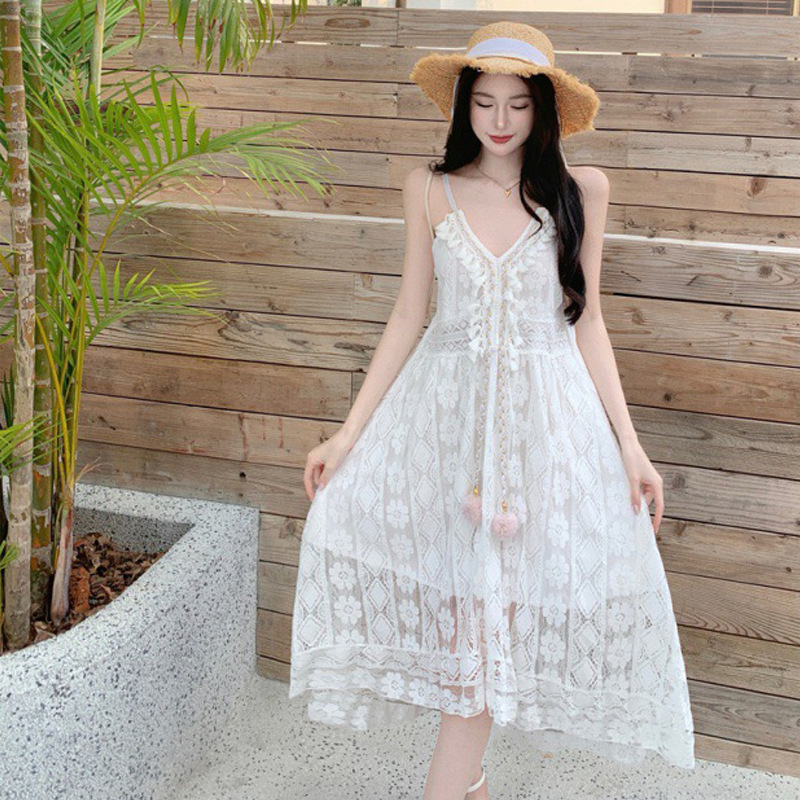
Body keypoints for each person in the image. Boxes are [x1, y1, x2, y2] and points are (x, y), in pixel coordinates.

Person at [288, 21, 696, 800]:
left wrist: (631, 446)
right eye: (483, 103)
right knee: (467, 624)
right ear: (463, 107)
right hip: (444, 431)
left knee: (487, 624)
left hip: (547, 434)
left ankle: (455, 787)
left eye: (517, 104)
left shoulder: (582, 191)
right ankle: (466, 783)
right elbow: (409, 314)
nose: (499, 120)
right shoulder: (428, 188)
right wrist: (348, 435)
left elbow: (589, 322)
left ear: (544, 110)